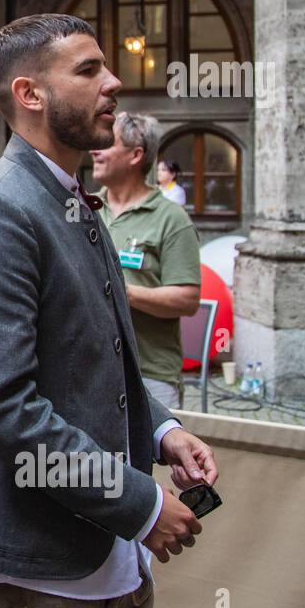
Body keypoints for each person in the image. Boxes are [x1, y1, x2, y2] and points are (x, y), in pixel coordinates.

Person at [0, 14, 218, 608]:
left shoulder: (67, 196)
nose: (114, 84)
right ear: (29, 94)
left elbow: (100, 361)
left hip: (106, 554)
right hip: (40, 562)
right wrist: (140, 506)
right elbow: (3, 406)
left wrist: (164, 431)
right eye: (89, 70)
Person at [92, 113, 202, 409]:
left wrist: (120, 292)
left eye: (105, 143)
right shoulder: (83, 209)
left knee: (150, 456)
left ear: (136, 155)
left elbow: (187, 299)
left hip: (150, 374)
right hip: (91, 371)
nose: (94, 150)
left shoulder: (172, 219)